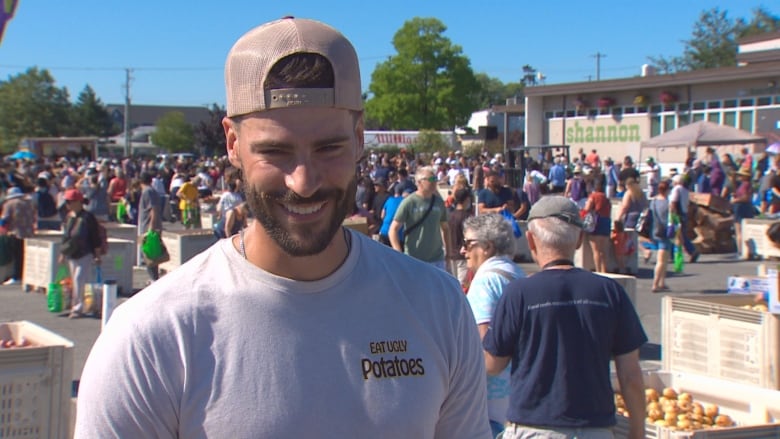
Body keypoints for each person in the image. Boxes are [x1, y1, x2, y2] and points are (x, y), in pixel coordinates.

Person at [75, 17, 489, 438]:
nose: (303, 181)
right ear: (233, 144)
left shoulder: (438, 307)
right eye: (275, 151)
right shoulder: (152, 337)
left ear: (360, 136)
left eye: (329, 148)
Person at [482, 196, 647, 439]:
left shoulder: (519, 293)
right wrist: (638, 430)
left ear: (531, 239)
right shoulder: (609, 292)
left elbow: (493, 364)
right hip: (596, 428)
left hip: (534, 427)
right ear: (580, 240)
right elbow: (631, 374)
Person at [461, 213, 525, 437]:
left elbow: (485, 345)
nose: (463, 251)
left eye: (468, 244)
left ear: (487, 247)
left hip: (491, 395)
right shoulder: (517, 273)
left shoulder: (486, 280)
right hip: (517, 385)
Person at [389, 166, 450, 269]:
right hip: (414, 258)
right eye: (431, 179)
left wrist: (448, 251)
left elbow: (445, 228)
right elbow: (393, 230)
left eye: (435, 178)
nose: (434, 182)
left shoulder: (439, 202)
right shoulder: (409, 202)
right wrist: (399, 253)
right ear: (419, 182)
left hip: (437, 258)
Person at [58, 189, 102, 318]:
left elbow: (95, 237)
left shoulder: (88, 217)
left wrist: (97, 255)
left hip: (85, 252)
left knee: (78, 279)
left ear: (78, 202)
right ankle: (78, 304)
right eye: (67, 202)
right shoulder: (68, 217)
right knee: (77, 280)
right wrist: (62, 253)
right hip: (72, 253)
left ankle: (77, 307)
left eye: (70, 202)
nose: (67, 204)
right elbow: (65, 237)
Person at [0, 187, 34, 285]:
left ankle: (16, 276)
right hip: (28, 232)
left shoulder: (9, 204)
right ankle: (24, 276)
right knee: (25, 255)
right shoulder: (28, 203)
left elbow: (4, 219)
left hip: (15, 232)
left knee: (16, 256)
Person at [136, 172, 163, 281]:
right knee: (152, 254)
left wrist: (151, 226)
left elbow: (154, 209)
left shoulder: (148, 192)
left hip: (148, 226)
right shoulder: (151, 191)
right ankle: (153, 278)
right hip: (149, 225)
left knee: (149, 254)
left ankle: (154, 279)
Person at [582, 179, 612, 273]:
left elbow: (587, 209)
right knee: (603, 250)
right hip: (606, 221)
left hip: (597, 221)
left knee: (596, 250)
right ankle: (604, 270)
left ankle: (598, 270)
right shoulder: (606, 198)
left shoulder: (593, 196)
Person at [446, 187, 473, 288]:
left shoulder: (449, 215)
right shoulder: (468, 217)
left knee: (452, 284)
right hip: (463, 255)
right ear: (466, 199)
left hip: (451, 254)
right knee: (462, 286)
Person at [669, 174, 700, 263]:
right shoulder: (685, 190)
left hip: (677, 213)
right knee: (681, 235)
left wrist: (672, 214)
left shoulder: (676, 189)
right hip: (684, 213)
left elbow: (673, 202)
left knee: (673, 235)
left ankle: (672, 254)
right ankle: (691, 251)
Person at [649, 181, 672, 292]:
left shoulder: (653, 202)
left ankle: (662, 282)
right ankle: (655, 284)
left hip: (654, 231)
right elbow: (672, 218)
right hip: (665, 232)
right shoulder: (668, 203)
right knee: (661, 261)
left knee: (664, 258)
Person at [731, 168, 755, 259]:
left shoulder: (745, 185)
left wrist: (735, 200)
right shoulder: (744, 185)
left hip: (741, 207)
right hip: (744, 207)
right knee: (743, 231)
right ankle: (745, 251)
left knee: (739, 231)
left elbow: (746, 197)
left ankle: (741, 251)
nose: (739, 177)